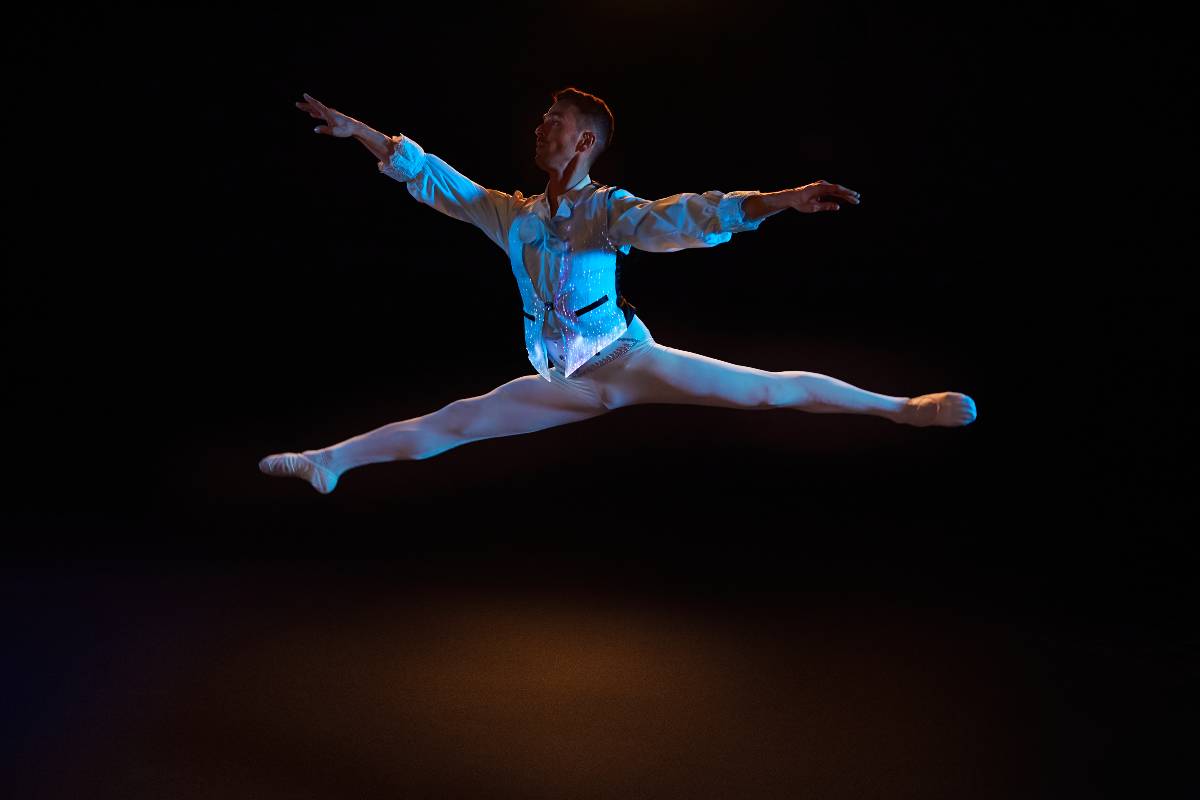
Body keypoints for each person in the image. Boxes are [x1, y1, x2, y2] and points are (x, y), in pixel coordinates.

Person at [260, 87, 977, 494]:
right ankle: (329, 462)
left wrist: (780, 200)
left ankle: (902, 409)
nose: (541, 125)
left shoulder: (607, 211)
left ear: (584, 143)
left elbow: (687, 216)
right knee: (457, 420)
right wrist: (362, 133)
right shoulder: (514, 216)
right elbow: (437, 181)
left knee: (762, 391)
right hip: (564, 380)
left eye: (555, 120)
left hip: (627, 360)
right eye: (542, 116)